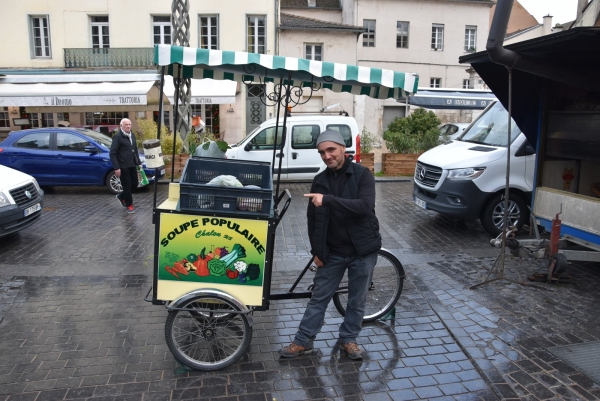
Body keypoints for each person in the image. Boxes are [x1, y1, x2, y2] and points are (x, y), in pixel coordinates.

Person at [280, 129, 381, 360]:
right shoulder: (320, 180)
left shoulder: (362, 175)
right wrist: (317, 251)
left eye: (331, 150)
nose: (327, 155)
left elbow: (364, 207)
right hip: (332, 252)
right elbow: (313, 221)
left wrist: (328, 200)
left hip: (362, 251)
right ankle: (303, 341)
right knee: (318, 299)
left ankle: (349, 340)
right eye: (322, 152)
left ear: (343, 149)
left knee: (357, 299)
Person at [110, 118, 141, 214]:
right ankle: (129, 205)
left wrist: (138, 163)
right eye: (126, 125)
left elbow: (135, 150)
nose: (128, 126)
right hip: (123, 166)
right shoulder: (118, 137)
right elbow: (112, 153)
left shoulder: (132, 135)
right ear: (121, 126)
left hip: (132, 164)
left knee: (135, 184)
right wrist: (116, 167)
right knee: (127, 186)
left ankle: (121, 196)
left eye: (129, 124)